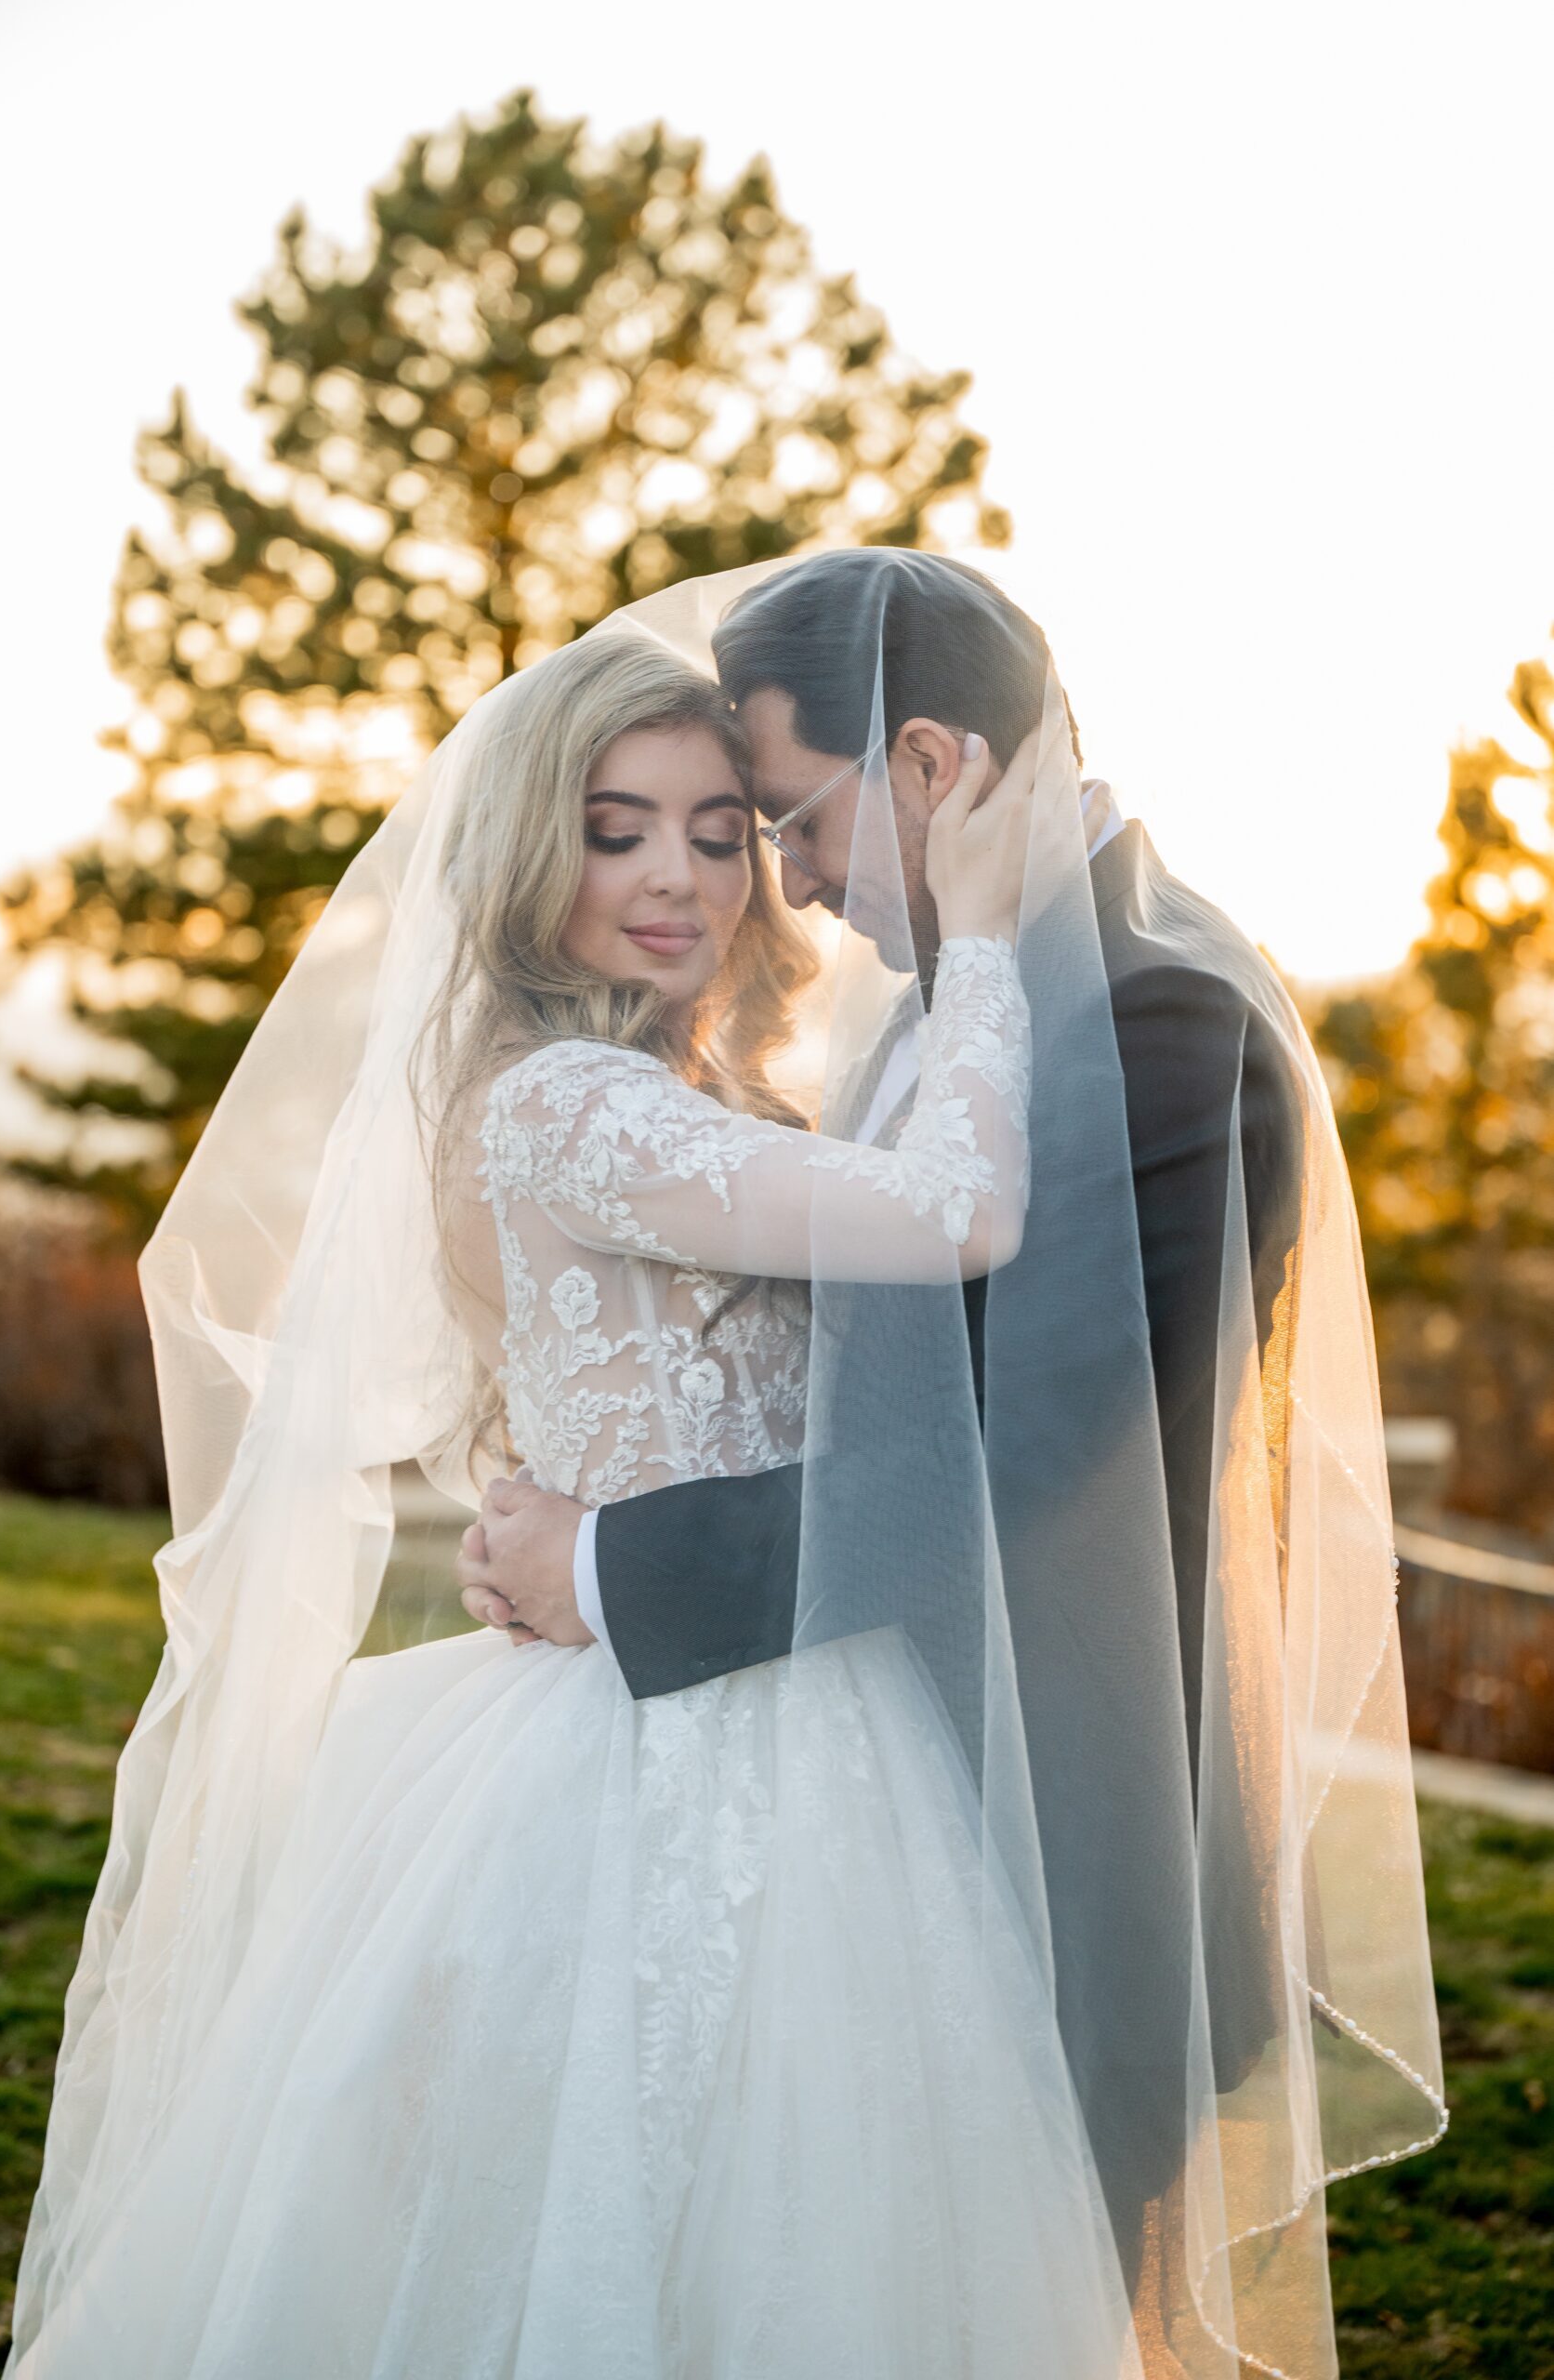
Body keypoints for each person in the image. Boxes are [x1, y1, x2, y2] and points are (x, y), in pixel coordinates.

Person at [7, 609, 1143, 2380]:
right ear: (535, 845)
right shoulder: (571, 1109)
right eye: (617, 828)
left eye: (719, 828)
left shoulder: (678, 1090)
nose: (678, 877)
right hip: (681, 1743)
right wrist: (985, 940)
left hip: (754, 1685)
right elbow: (957, 1221)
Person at [454, 551, 1447, 2374]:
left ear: (919, 763)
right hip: (867, 1793)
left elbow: (1009, 1460)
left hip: (1056, 1832)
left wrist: (607, 1565)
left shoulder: (1162, 1021)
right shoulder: (966, 992)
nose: (787, 876)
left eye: (783, 815)